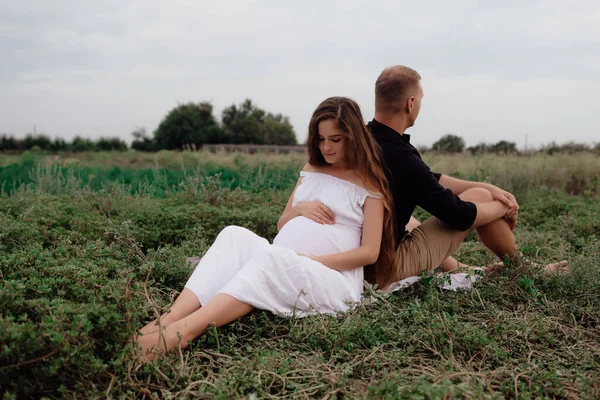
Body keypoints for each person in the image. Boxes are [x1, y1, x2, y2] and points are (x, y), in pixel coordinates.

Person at [135, 97, 397, 361]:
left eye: (335, 139)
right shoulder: (311, 168)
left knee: (275, 258)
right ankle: (167, 320)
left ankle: (182, 333)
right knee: (233, 234)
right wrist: (301, 209)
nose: (326, 147)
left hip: (332, 280)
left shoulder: (369, 182)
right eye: (321, 139)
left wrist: (311, 260)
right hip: (281, 259)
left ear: (353, 137)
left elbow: (369, 253)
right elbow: (282, 223)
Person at [368, 65, 568, 279]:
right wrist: (500, 206)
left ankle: (464, 269)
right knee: (479, 198)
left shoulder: (361, 140)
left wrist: (488, 186)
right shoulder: (401, 155)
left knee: (412, 220)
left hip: (363, 258)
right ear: (411, 103)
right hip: (385, 269)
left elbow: (428, 179)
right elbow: (458, 216)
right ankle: (525, 271)